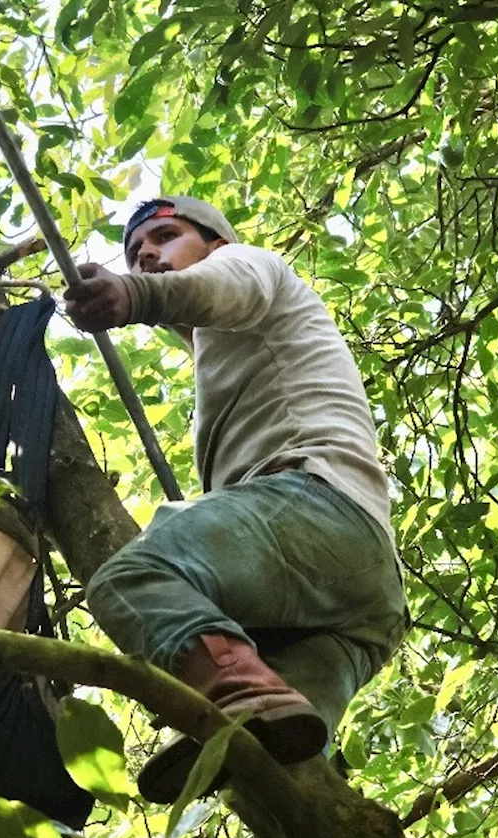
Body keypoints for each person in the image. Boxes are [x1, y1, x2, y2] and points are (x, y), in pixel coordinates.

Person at [65, 196, 408, 804]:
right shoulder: (231, 358)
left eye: (165, 237)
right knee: (274, 772)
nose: (146, 254)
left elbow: (223, 287)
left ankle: (234, 689)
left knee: (136, 575)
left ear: (216, 244)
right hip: (361, 608)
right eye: (135, 255)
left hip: (315, 505)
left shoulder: (251, 265)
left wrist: (134, 295)